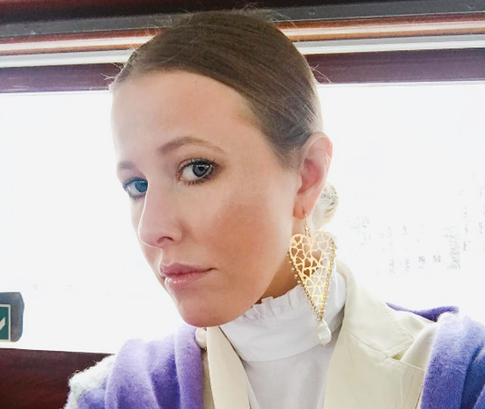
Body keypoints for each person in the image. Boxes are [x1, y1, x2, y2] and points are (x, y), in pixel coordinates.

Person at [64, 9, 485, 409]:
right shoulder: (116, 395)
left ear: (306, 175)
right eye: (137, 186)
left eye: (197, 169)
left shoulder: (465, 379)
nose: (151, 228)